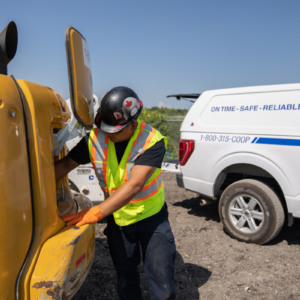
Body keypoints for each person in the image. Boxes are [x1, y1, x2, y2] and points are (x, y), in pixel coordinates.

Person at [55, 86, 176, 300]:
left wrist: (95, 212)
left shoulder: (151, 141)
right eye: (106, 127)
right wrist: (30, 190)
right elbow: (64, 166)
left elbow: (134, 186)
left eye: (116, 130)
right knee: (126, 279)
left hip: (151, 218)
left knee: (161, 282)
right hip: (118, 220)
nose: (109, 133)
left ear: (133, 124)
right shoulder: (95, 138)